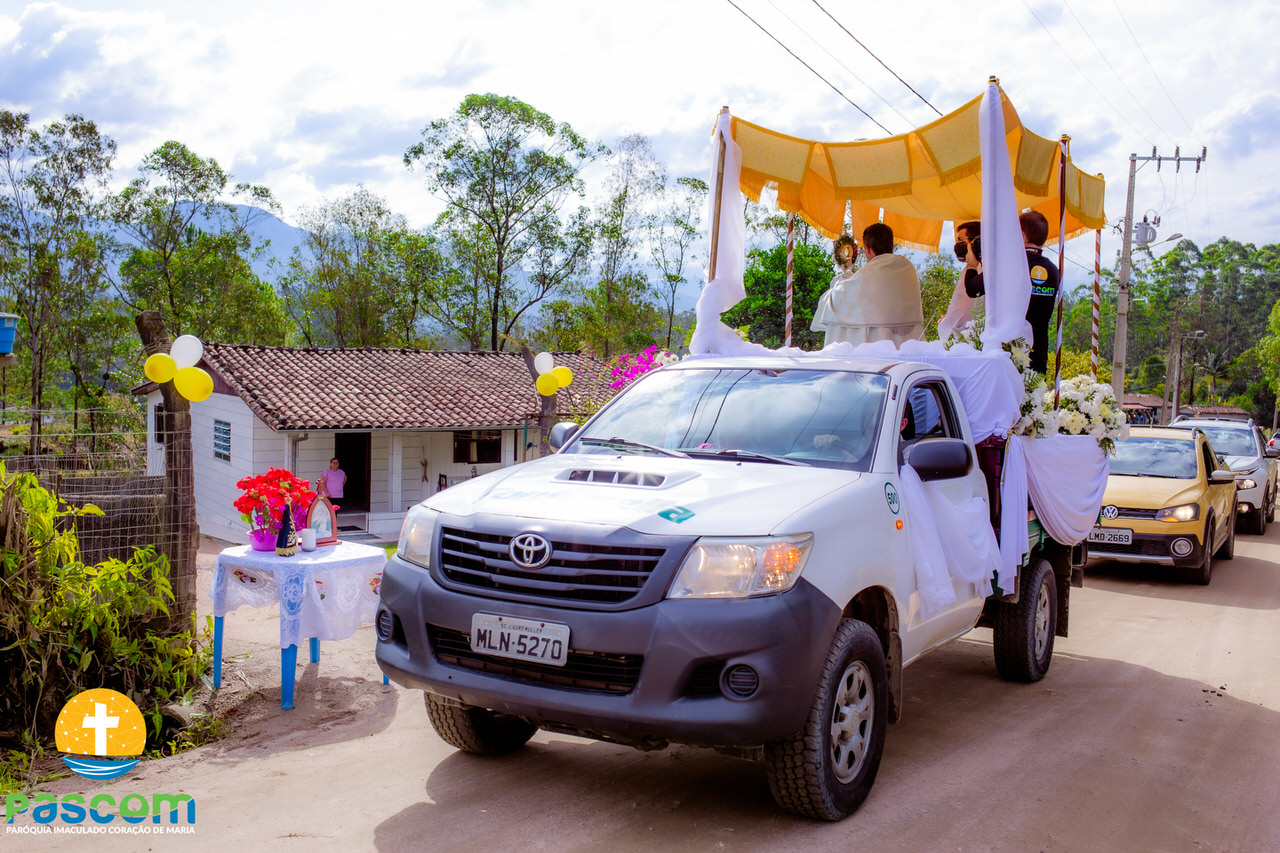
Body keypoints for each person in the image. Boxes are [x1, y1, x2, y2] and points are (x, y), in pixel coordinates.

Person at [960, 212, 1061, 373]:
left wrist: (972, 265)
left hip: (1009, 351)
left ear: (1021, 234)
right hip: (1039, 353)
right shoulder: (1054, 270)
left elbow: (973, 289)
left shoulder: (1009, 264)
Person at [811, 223, 924, 347]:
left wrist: (834, 288)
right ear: (891, 246)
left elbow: (836, 300)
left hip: (878, 350)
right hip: (910, 348)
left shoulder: (869, 272)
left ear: (867, 248)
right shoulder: (907, 268)